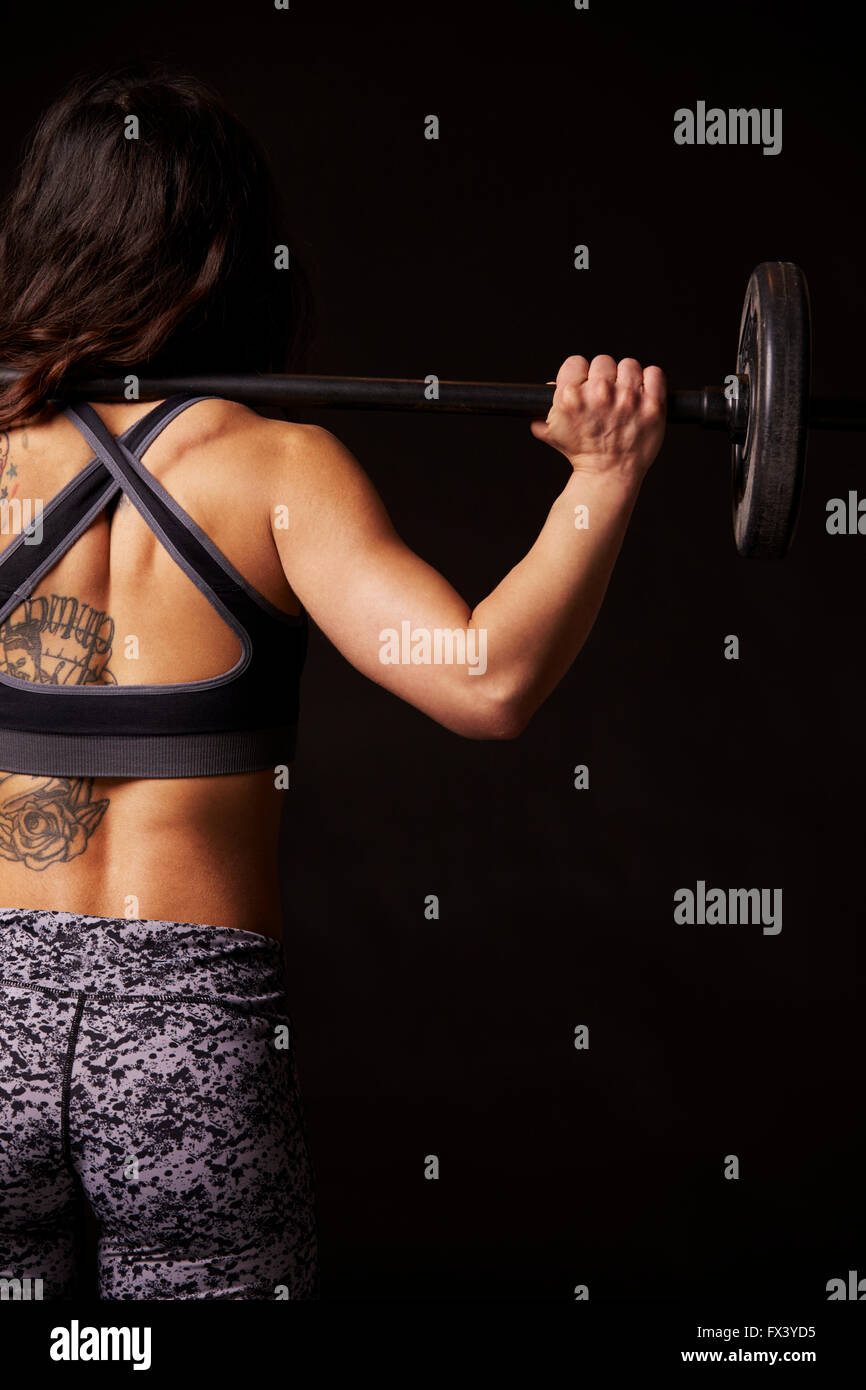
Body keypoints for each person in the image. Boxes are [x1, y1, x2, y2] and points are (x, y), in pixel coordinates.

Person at [0, 64, 665, 1302]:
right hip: (183, 1027)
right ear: (229, 258)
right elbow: (486, 680)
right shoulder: (276, 468)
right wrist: (601, 480)